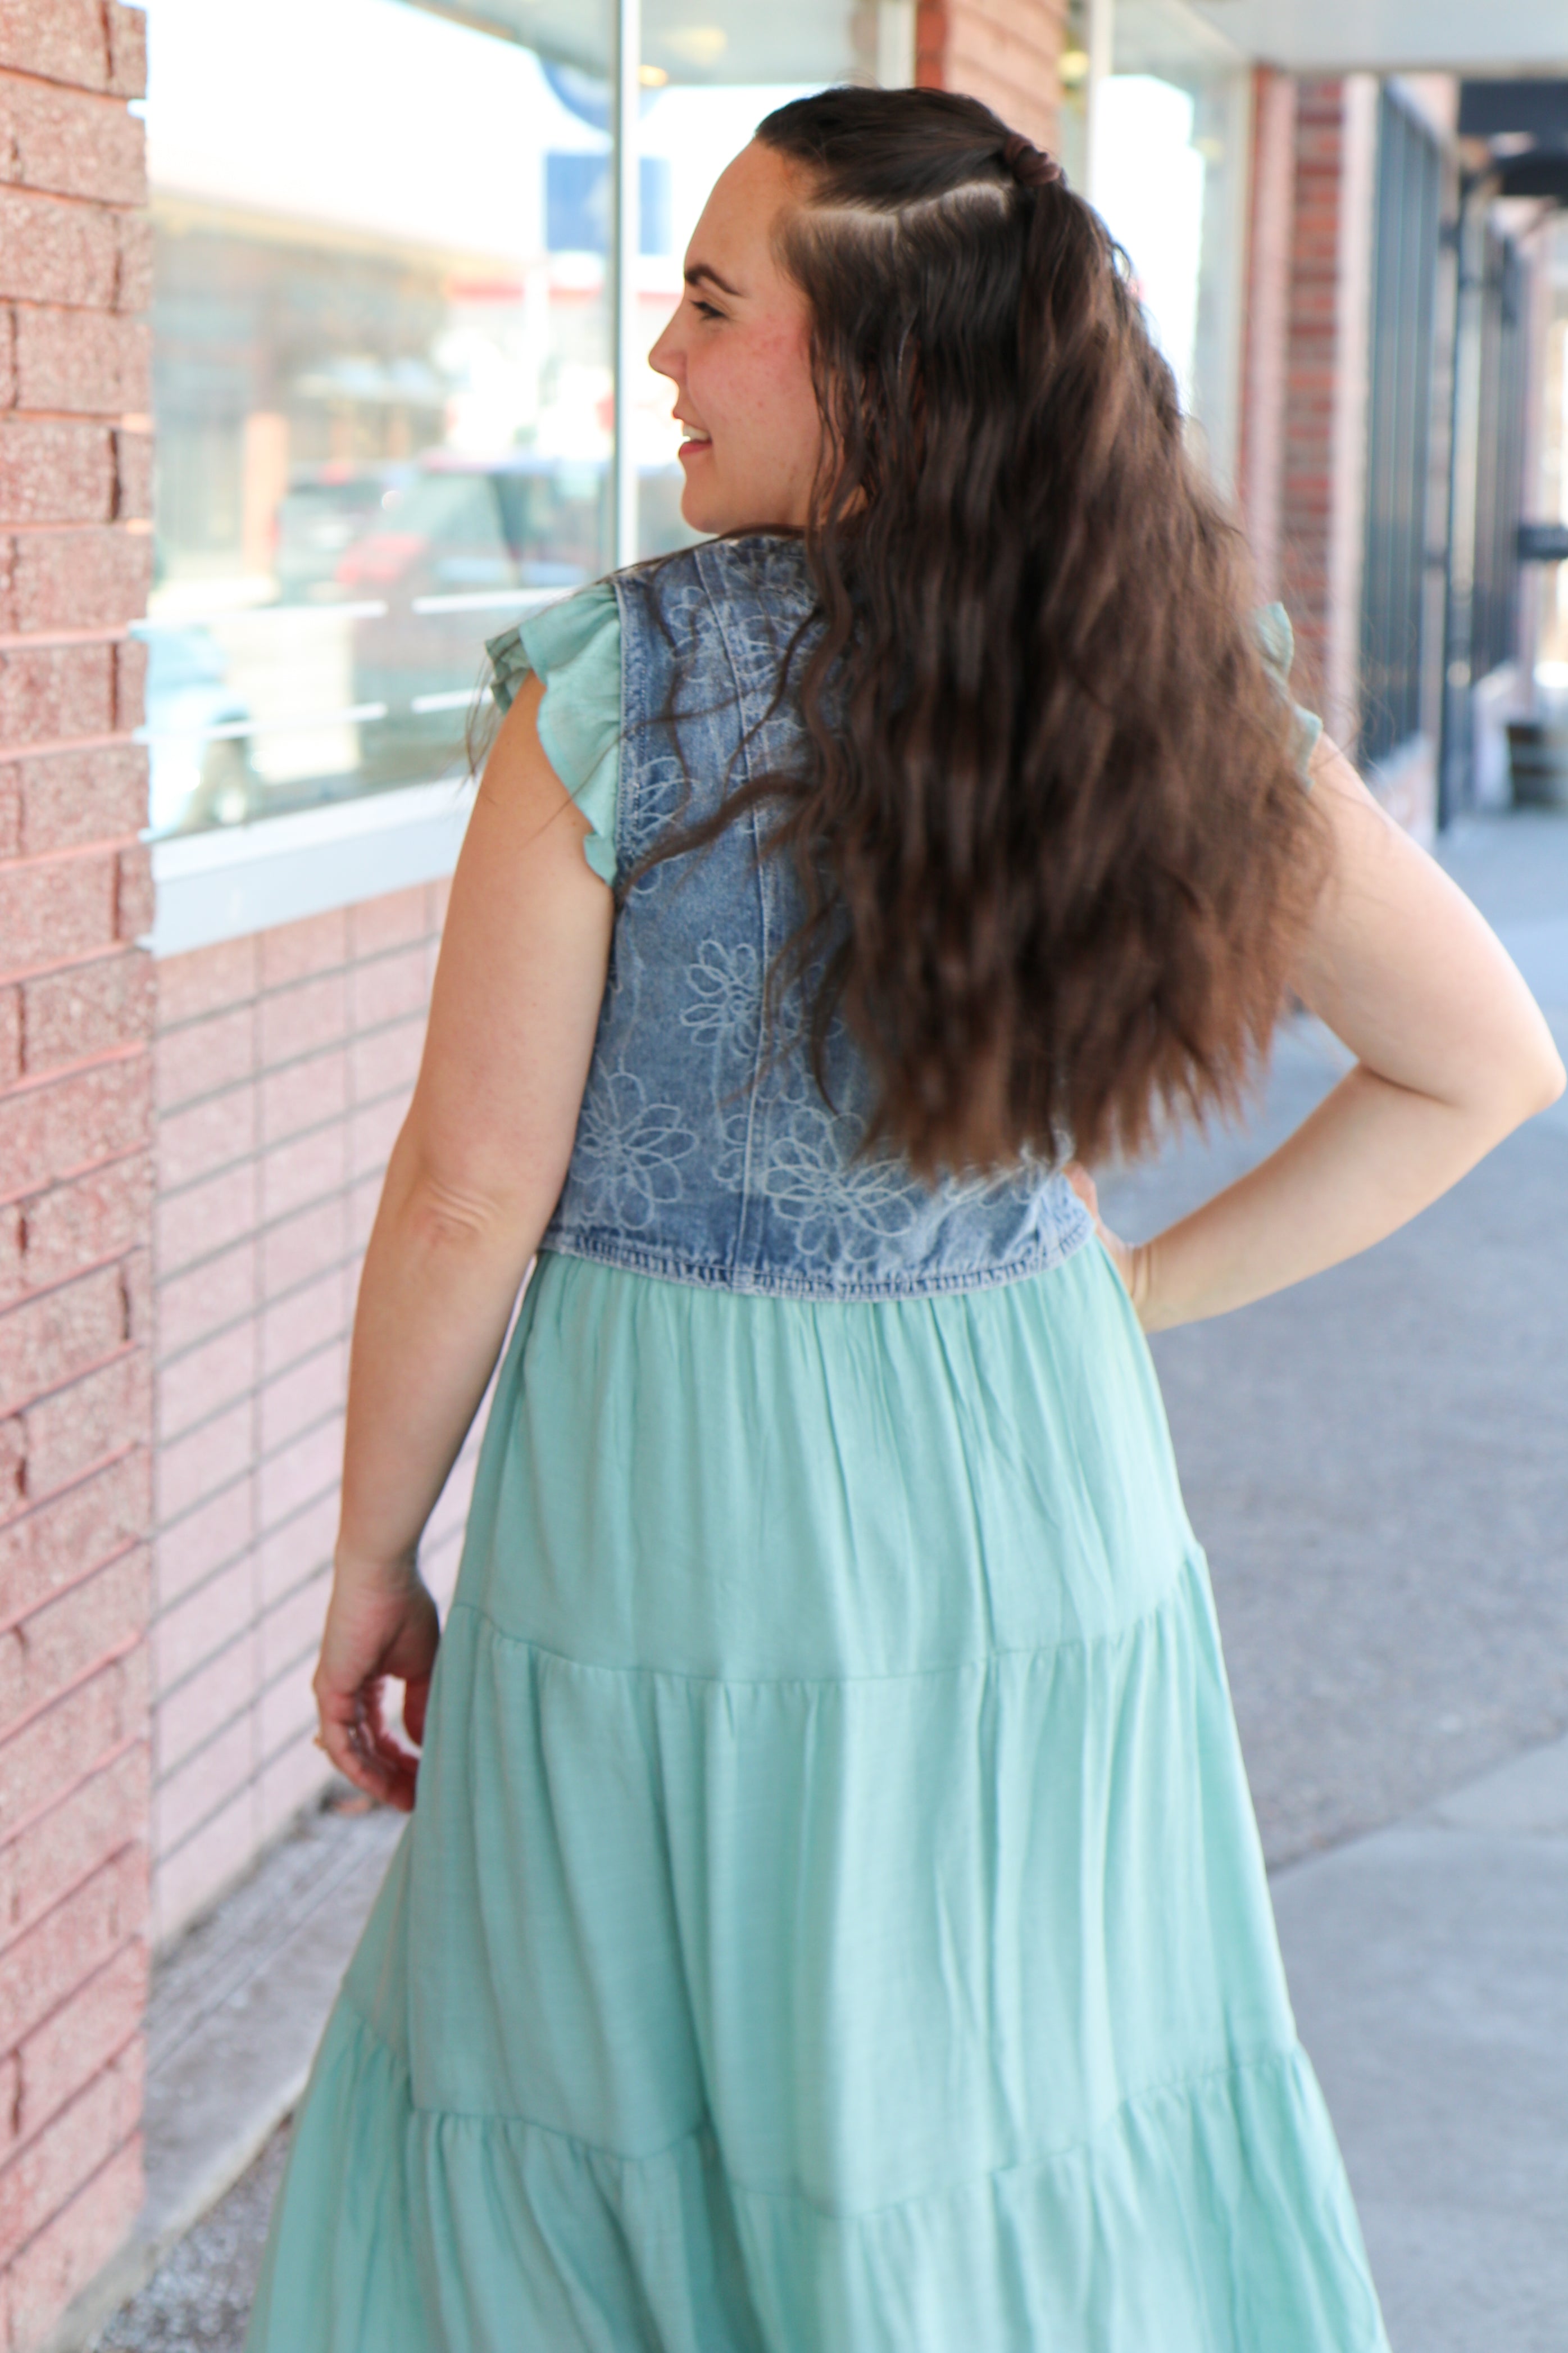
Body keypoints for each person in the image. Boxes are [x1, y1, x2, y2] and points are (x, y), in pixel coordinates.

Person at [247, 87, 1564, 2352]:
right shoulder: (1163, 680)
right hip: (1034, 1470)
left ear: (880, 375)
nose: (659, 355)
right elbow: (1480, 1063)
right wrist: (1123, 1291)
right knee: (992, 2096)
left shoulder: (619, 690)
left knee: (605, 2104)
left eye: (707, 303)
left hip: (677, 1515)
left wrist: (376, 1557)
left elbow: (471, 1187)